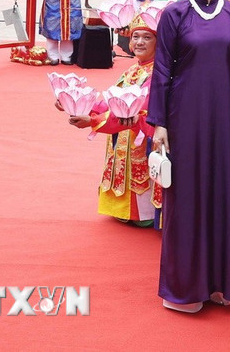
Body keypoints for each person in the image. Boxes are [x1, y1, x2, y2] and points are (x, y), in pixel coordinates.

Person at [146, 0, 230, 313]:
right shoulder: (174, 14)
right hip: (183, 118)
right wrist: (159, 122)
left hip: (224, 119)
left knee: (224, 195)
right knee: (186, 199)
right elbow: (161, 71)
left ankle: (220, 284)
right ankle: (185, 288)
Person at [66, 13, 161, 227]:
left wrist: (93, 122)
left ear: (158, 41)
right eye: (135, 37)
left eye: (147, 37)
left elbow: (131, 111)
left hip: (140, 135)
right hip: (123, 135)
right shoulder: (133, 69)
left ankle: (144, 215)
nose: (139, 42)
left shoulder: (157, 73)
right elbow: (111, 102)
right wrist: (75, 102)